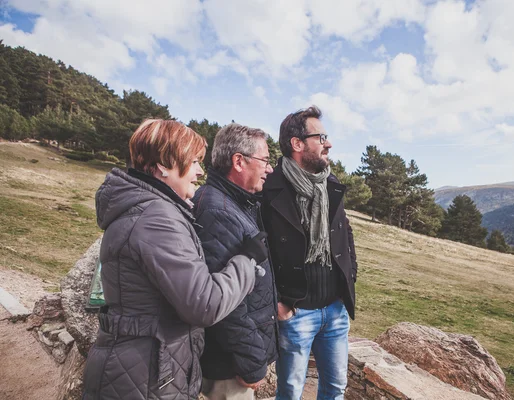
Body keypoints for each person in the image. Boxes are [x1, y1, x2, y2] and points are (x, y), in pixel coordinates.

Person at [82, 119, 268, 400]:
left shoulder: (144, 208)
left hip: (137, 367)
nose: (199, 171)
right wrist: (247, 260)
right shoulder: (156, 218)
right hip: (144, 376)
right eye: (193, 161)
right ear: (164, 165)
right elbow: (204, 304)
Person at [261, 106, 358, 400]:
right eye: (321, 137)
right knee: (290, 391)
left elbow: (345, 234)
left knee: (336, 387)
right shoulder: (269, 189)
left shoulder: (328, 182)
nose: (328, 143)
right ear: (297, 144)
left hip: (335, 308)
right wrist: (277, 300)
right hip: (295, 311)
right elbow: (261, 251)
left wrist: (348, 278)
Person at [192, 123, 278, 400]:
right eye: (265, 160)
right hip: (227, 366)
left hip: (229, 359)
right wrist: (252, 363)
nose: (269, 168)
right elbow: (227, 302)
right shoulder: (218, 210)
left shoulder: (235, 202)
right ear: (239, 161)